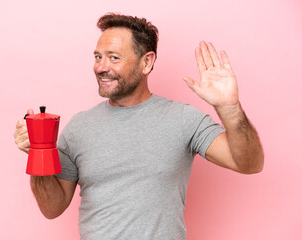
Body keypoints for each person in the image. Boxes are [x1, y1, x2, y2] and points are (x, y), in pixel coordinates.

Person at [14, 13, 264, 240]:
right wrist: (38, 152)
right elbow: (52, 208)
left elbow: (249, 164)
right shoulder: (79, 127)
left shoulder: (183, 119)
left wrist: (229, 108)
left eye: (114, 58)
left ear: (146, 62)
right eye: (98, 57)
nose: (101, 67)